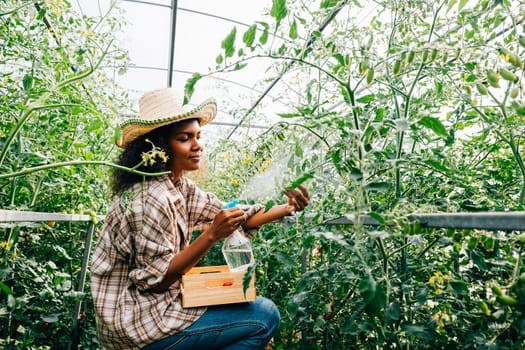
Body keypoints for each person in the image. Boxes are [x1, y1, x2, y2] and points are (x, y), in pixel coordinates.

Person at [90, 87, 310, 350]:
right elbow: (157, 281)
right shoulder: (150, 199)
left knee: (250, 310)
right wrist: (211, 235)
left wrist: (286, 208)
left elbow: (233, 216)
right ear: (159, 146)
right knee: (264, 316)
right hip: (138, 325)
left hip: (154, 311)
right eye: (185, 138)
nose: (198, 146)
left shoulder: (178, 186)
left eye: (198, 136)